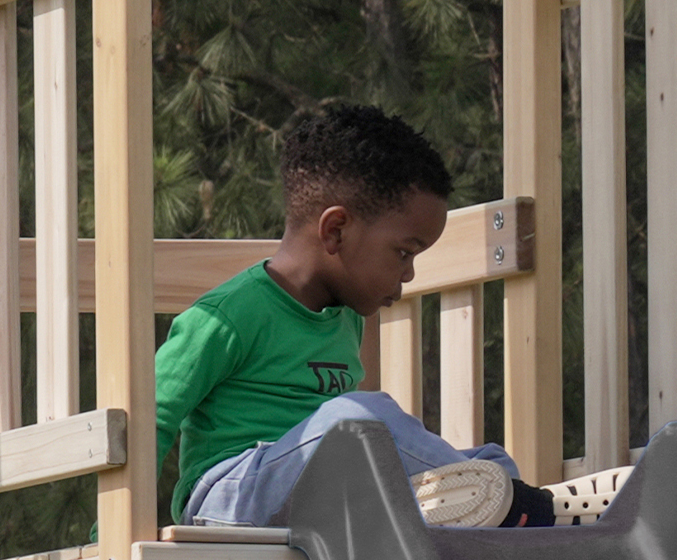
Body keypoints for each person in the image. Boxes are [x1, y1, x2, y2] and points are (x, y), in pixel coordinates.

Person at [159, 100, 550, 530]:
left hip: (323, 501)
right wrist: (114, 537)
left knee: (489, 460)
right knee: (359, 421)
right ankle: (519, 511)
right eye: (404, 252)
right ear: (335, 231)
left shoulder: (345, 317)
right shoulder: (226, 317)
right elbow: (151, 414)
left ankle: (522, 516)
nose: (410, 272)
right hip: (231, 498)